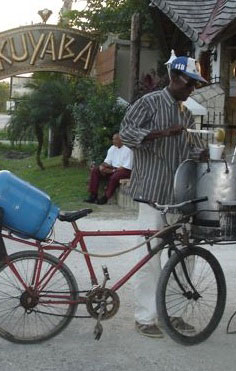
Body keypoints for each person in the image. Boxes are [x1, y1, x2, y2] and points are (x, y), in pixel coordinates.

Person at [120, 56, 206, 338]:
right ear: (176, 78)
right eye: (191, 83)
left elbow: (191, 149)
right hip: (152, 194)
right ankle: (145, 317)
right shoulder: (149, 103)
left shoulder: (186, 113)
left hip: (178, 197)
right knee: (149, 256)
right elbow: (126, 134)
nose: (192, 89)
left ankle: (175, 312)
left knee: (184, 255)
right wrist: (161, 133)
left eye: (195, 85)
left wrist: (202, 153)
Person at [84, 133, 133, 205]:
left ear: (122, 140)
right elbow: (107, 162)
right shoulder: (112, 148)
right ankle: (93, 195)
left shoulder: (128, 150)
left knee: (114, 177)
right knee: (95, 170)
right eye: (113, 139)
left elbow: (126, 167)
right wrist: (102, 166)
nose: (113, 141)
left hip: (124, 170)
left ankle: (106, 197)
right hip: (113, 169)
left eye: (115, 139)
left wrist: (112, 171)